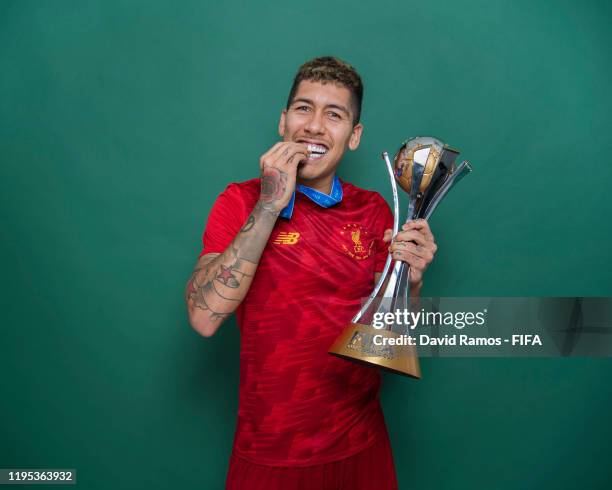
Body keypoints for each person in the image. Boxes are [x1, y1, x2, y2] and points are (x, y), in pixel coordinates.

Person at [185, 56, 437, 490]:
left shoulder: (374, 210)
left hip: (361, 448)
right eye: (303, 109)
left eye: (333, 115)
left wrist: (410, 284)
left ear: (353, 136)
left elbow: (390, 347)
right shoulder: (239, 201)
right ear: (283, 122)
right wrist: (269, 204)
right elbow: (203, 319)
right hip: (268, 455)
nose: (315, 127)